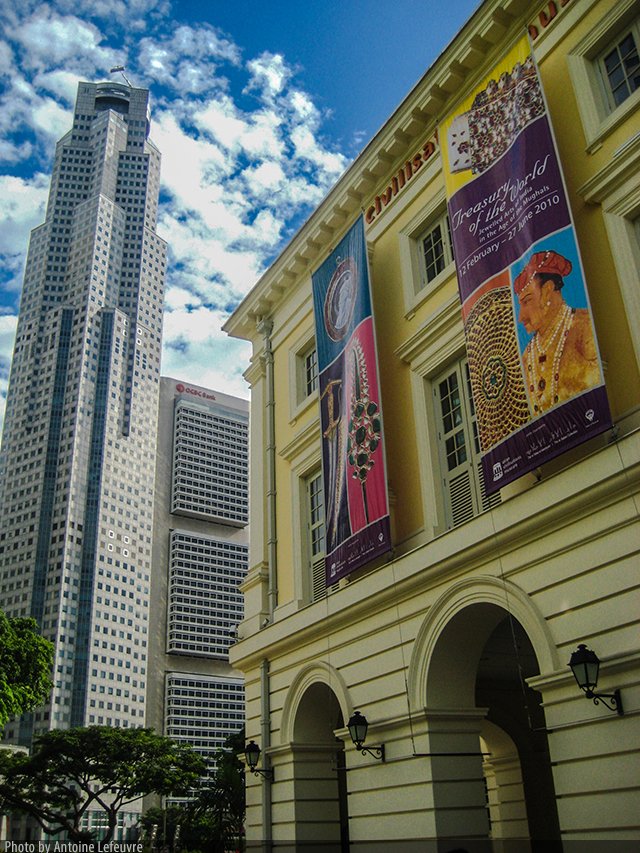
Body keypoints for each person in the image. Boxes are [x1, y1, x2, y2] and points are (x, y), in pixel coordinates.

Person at [514, 250, 600, 414]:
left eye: (527, 302)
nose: (521, 317)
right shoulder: (527, 357)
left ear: (547, 290)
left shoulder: (585, 327)